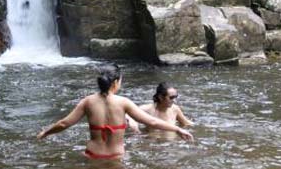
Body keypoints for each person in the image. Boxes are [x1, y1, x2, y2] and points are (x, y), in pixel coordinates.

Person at [36, 65, 193, 158]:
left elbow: (64, 123)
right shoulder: (123, 102)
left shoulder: (87, 101)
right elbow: (152, 121)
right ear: (116, 83)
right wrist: (177, 129)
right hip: (115, 156)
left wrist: (46, 132)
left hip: (92, 154)